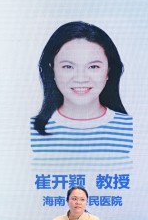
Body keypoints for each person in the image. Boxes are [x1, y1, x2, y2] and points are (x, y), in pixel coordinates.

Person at [31, 21, 133, 154]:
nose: (81, 78)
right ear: (52, 70)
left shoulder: (132, 129)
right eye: (68, 66)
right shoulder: (30, 131)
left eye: (93, 67)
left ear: (108, 71)